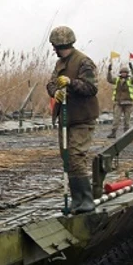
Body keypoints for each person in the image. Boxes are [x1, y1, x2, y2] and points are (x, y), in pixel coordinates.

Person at [46, 25, 99, 213]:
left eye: (55, 46)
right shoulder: (60, 64)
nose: (53, 49)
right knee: (68, 158)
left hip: (82, 118)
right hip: (66, 118)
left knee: (76, 157)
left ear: (62, 44)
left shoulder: (84, 62)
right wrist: (57, 92)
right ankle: (77, 201)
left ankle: (86, 200)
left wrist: (71, 83)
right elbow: (50, 84)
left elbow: (91, 88)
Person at [106, 63, 133, 138]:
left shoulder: (130, 80)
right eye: (122, 72)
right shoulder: (117, 80)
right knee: (116, 118)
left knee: (127, 119)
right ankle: (113, 133)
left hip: (128, 102)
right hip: (118, 102)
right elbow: (109, 80)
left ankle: (126, 133)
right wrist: (109, 71)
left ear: (127, 73)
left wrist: (132, 68)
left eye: (125, 72)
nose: (123, 73)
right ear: (120, 73)